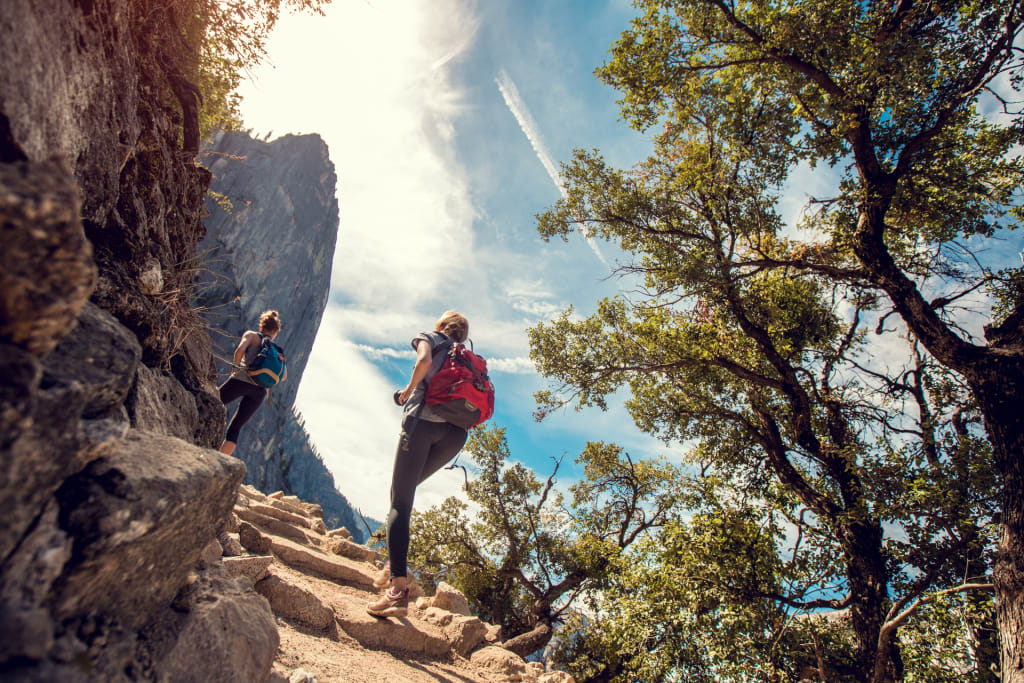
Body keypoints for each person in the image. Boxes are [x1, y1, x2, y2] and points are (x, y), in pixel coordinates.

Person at [367, 311, 471, 618]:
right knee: (405, 494)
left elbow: (424, 362)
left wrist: (407, 391)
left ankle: (397, 589)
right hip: (455, 435)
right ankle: (392, 565)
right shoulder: (465, 355)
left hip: (422, 424)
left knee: (400, 501)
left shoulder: (431, 338)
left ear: (442, 326)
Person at [218, 310, 282, 456]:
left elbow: (240, 350)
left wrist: (235, 369)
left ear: (261, 326)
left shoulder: (252, 335)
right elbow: (282, 376)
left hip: (241, 380)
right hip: (259, 392)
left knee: (213, 400)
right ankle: (221, 459)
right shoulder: (277, 351)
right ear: (276, 331)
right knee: (236, 427)